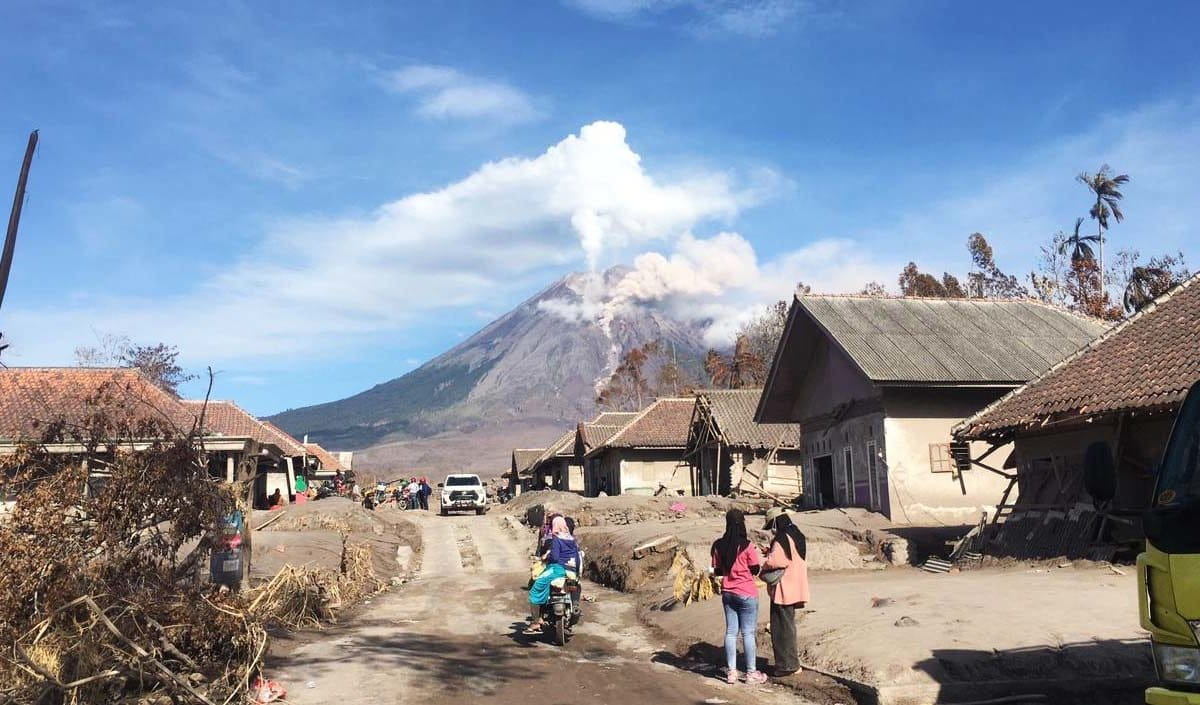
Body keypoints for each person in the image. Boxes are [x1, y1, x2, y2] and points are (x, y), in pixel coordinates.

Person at [711, 509, 766, 685]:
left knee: (731, 632)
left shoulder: (718, 545)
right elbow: (755, 569)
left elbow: (716, 571)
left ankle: (732, 673)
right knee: (748, 633)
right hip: (747, 593)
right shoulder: (747, 546)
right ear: (742, 523)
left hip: (728, 593)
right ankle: (751, 673)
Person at [762, 508, 810, 678]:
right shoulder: (796, 533)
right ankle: (793, 664)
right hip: (796, 585)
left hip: (784, 589)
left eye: (771, 525)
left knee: (781, 628)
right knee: (788, 626)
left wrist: (767, 560)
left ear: (776, 522)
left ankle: (787, 666)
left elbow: (777, 561)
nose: (771, 529)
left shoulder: (782, 538)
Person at [524, 516, 579, 635]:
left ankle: (536, 622)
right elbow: (577, 558)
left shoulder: (557, 539)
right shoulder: (571, 539)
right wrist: (576, 572)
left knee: (535, 588)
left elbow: (554, 557)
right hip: (571, 570)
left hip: (558, 569)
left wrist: (546, 557)